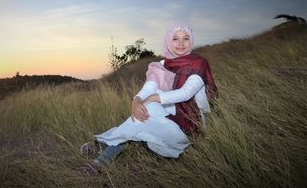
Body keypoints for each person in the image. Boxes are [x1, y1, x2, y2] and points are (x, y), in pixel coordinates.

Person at [79, 22, 218, 175]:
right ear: (168, 41)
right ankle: (101, 161)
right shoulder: (161, 65)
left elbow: (186, 93)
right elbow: (149, 87)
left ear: (191, 40)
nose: (181, 44)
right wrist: (137, 100)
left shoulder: (199, 64)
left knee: (145, 114)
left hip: (189, 126)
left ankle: (100, 147)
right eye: (175, 39)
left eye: (185, 38)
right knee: (143, 114)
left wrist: (153, 98)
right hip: (168, 116)